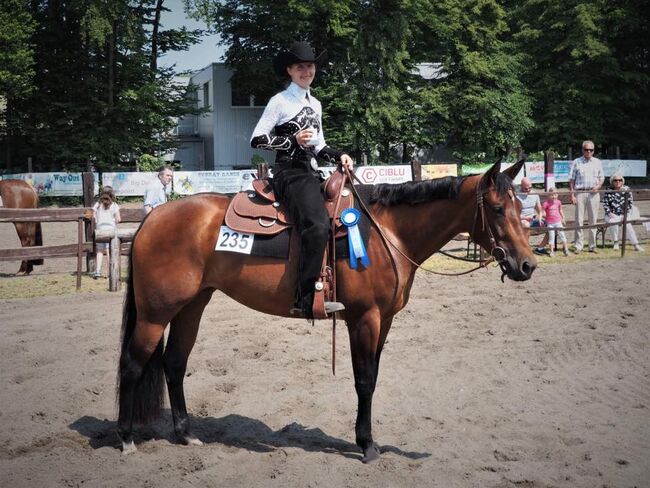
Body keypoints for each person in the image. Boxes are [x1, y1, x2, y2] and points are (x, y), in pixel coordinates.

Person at [250, 41, 354, 318]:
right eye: (300, 67)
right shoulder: (280, 101)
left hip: (311, 171)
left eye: (310, 66)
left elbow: (319, 146)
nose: (306, 71)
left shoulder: (316, 104)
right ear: (290, 70)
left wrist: (340, 154)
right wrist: (291, 140)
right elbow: (257, 139)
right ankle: (306, 297)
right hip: (289, 172)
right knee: (318, 225)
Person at [569, 140, 604, 253]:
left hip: (594, 193)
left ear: (593, 151)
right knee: (579, 221)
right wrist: (572, 195)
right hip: (580, 192)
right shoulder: (576, 161)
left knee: (593, 220)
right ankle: (579, 246)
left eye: (591, 150)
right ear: (582, 150)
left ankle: (592, 246)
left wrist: (598, 187)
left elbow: (602, 178)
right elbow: (571, 180)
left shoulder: (598, 162)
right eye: (586, 149)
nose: (589, 151)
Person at [602, 173, 644, 252]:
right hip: (611, 214)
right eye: (615, 180)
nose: (618, 182)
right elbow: (605, 204)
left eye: (620, 180)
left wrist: (624, 215)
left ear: (622, 181)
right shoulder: (608, 191)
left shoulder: (627, 190)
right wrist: (610, 213)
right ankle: (616, 242)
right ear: (612, 181)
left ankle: (636, 245)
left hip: (625, 214)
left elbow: (630, 204)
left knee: (627, 224)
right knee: (613, 222)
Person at [93, 190, 121, 279]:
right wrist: (114, 222)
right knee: (110, 251)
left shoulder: (97, 205)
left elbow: (94, 216)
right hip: (110, 231)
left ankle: (97, 271)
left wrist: (98, 221)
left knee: (100, 251)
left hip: (100, 231)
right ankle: (110, 272)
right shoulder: (114, 205)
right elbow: (118, 219)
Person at [516, 177, 548, 255]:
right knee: (526, 224)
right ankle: (525, 249)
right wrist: (525, 218)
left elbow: (539, 210)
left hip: (533, 219)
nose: (528, 190)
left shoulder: (534, 194)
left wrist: (546, 217)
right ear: (521, 186)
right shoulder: (516, 196)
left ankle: (540, 248)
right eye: (526, 188)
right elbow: (514, 215)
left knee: (552, 224)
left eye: (530, 188)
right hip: (521, 220)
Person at [542, 188, 569, 257]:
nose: (554, 196)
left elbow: (560, 210)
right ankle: (551, 251)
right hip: (550, 223)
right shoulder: (546, 203)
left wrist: (563, 218)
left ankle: (566, 250)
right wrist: (544, 215)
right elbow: (542, 211)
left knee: (562, 235)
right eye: (552, 195)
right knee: (551, 237)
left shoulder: (558, 202)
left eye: (555, 195)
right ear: (549, 195)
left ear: (557, 195)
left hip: (558, 221)